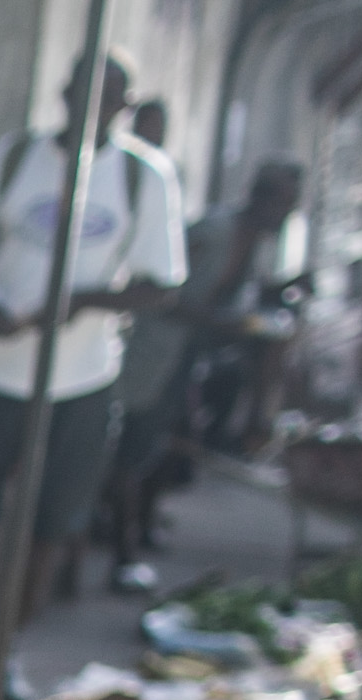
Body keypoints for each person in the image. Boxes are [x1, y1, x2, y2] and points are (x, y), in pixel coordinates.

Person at [0, 51, 185, 654]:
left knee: (50, 525)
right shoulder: (15, 159)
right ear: (63, 92)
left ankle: (4, 651)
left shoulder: (144, 177)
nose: (92, 106)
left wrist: (85, 299)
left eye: (108, 97)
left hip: (80, 378)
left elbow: (160, 284)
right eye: (82, 91)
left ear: (124, 106)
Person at [105, 161, 302, 588]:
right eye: (283, 205)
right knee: (133, 451)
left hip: (191, 355)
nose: (285, 216)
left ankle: (141, 528)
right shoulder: (212, 234)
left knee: (172, 443)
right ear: (262, 198)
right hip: (156, 352)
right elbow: (162, 293)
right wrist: (222, 322)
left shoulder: (256, 244)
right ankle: (120, 553)